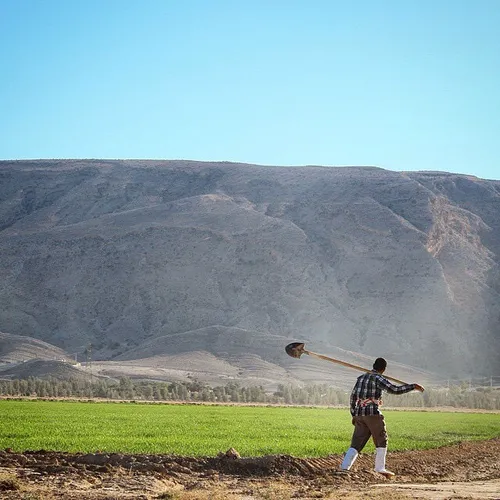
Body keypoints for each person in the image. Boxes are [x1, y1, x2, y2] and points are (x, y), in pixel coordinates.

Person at [340, 357, 424, 476]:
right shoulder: (378, 378)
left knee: (357, 443)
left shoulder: (361, 378)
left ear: (373, 365)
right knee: (381, 439)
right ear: (383, 369)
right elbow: (394, 390)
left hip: (360, 414)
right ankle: (380, 468)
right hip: (372, 414)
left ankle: (344, 467)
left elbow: (353, 397)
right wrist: (413, 386)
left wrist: (354, 414)